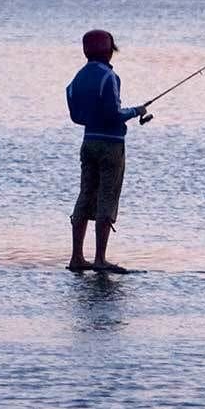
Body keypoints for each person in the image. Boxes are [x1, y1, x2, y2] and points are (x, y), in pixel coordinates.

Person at [65, 28, 149, 273]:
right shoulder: (109, 77)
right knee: (107, 198)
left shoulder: (78, 78)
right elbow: (114, 114)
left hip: (88, 143)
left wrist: (93, 120)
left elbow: (75, 115)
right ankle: (100, 259)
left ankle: (76, 258)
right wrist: (136, 111)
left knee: (85, 195)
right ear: (107, 51)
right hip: (111, 145)